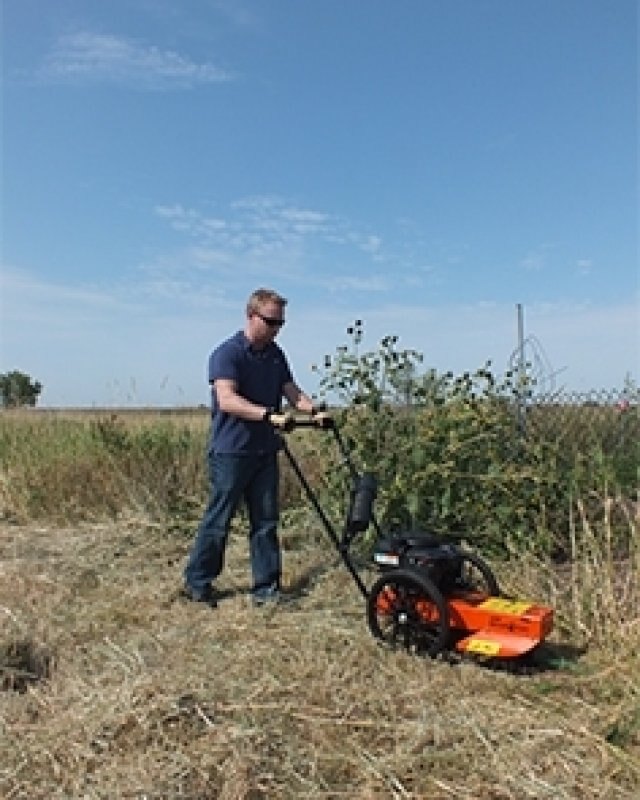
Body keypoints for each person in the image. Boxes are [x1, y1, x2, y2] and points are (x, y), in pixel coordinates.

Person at [183, 288, 330, 607]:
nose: (277, 328)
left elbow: (290, 390)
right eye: (272, 321)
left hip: (265, 451)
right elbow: (227, 399)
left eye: (281, 324)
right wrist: (268, 415)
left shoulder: (275, 354)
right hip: (232, 452)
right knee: (219, 520)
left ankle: (266, 590)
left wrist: (314, 410)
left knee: (265, 523)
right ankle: (198, 582)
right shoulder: (228, 353)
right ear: (252, 316)